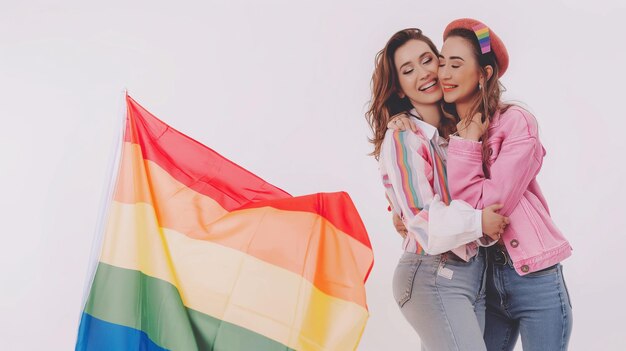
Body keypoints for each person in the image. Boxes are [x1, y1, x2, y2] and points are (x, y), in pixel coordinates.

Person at [391, 18, 573, 351]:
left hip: (536, 278)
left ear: (483, 73)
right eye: (442, 62)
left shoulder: (516, 122)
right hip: (483, 279)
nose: (442, 73)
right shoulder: (446, 132)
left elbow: (488, 203)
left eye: (455, 64)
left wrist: (468, 142)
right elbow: (427, 192)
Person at [365, 28, 509, 351]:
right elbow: (422, 218)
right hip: (433, 275)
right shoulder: (404, 138)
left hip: (473, 275)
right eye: (408, 70)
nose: (423, 73)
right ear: (399, 89)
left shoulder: (457, 131)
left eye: (428, 60)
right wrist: (477, 223)